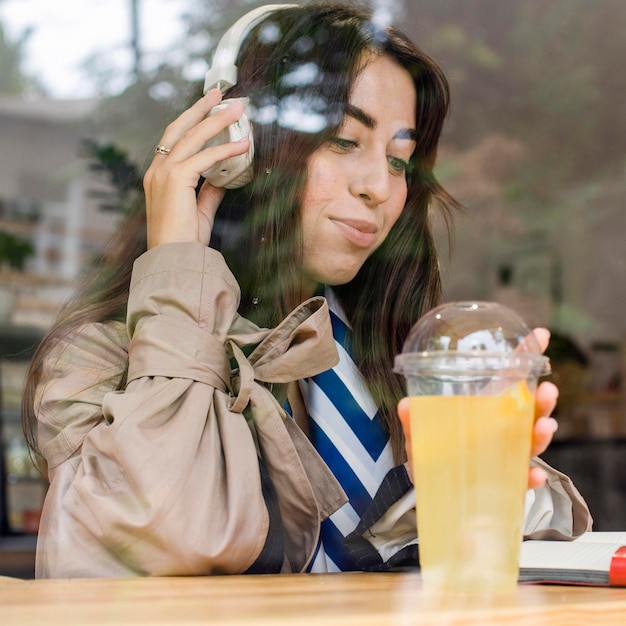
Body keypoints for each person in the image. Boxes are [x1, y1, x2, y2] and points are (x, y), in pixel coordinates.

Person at [22, 2, 591, 578]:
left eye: (399, 160)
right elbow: (156, 543)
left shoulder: (394, 351)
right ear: (239, 146)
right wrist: (177, 266)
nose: (378, 187)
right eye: (345, 141)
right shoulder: (98, 360)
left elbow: (530, 560)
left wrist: (467, 491)